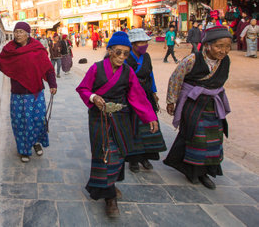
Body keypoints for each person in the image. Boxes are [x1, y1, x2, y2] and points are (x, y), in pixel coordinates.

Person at [76, 32, 159, 218]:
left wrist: (150, 117)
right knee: (104, 152)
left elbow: (137, 95)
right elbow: (83, 88)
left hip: (121, 116)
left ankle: (110, 185)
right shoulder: (96, 69)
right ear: (110, 51)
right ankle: (110, 197)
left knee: (118, 152)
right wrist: (93, 97)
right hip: (99, 118)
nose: (122, 57)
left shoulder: (128, 72)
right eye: (118, 53)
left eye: (126, 54)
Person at [0, 22, 57, 163]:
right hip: (18, 93)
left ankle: (36, 142)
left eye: (21, 31)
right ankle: (24, 149)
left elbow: (48, 68)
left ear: (27, 33)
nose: (18, 34)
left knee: (37, 120)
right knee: (21, 123)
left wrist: (52, 84)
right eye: (16, 31)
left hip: (36, 92)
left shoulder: (37, 48)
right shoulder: (9, 49)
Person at [163, 26, 233, 189]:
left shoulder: (225, 61)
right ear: (207, 45)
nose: (223, 51)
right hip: (193, 104)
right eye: (219, 46)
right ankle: (193, 172)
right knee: (196, 138)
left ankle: (206, 172)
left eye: (227, 46)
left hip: (213, 105)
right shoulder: (192, 60)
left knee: (214, 139)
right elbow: (176, 78)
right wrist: (171, 101)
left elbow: (220, 82)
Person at [125, 29, 167, 173]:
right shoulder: (125, 58)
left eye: (145, 42)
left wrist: (154, 92)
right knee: (134, 128)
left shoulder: (146, 57)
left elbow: (151, 75)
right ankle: (133, 160)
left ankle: (146, 157)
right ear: (133, 44)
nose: (144, 45)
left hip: (146, 94)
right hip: (131, 96)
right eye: (141, 42)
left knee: (149, 126)